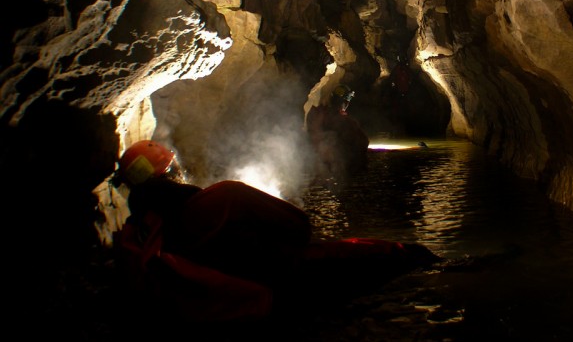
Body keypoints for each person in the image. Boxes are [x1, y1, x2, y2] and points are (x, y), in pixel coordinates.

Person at [112, 140, 437, 324]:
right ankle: (422, 259)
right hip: (276, 283)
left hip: (228, 295)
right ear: (169, 174)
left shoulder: (139, 233)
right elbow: (299, 227)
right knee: (375, 255)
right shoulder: (223, 197)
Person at [306, 84, 369, 178]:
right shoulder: (347, 123)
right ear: (344, 101)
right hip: (337, 164)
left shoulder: (319, 113)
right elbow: (362, 142)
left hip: (320, 162)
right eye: (347, 100)